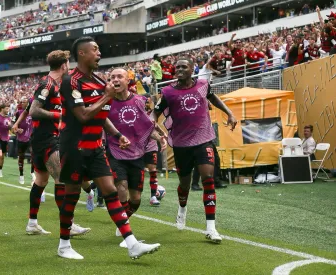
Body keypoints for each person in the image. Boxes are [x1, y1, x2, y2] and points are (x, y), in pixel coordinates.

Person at [58, 36, 160, 260]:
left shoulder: (97, 79)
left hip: (96, 147)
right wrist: (107, 96)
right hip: (74, 147)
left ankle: (132, 244)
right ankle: (64, 245)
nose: (99, 54)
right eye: (95, 50)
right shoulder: (71, 81)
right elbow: (84, 115)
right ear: (82, 53)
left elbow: (100, 115)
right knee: (72, 195)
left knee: (111, 192)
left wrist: (117, 134)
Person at [152, 56, 237, 244]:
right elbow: (155, 112)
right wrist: (153, 124)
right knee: (184, 184)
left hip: (203, 141)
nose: (179, 70)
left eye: (184, 67)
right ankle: (182, 209)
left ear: (192, 69)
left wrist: (229, 113)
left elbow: (213, 98)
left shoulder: (203, 85)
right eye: (177, 67)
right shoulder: (167, 92)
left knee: (208, 179)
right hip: (182, 145)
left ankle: (211, 228)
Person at [12, 50, 92, 236]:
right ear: (63, 65)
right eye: (68, 64)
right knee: (61, 180)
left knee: (41, 181)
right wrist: (59, 115)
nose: (69, 67)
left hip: (41, 138)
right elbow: (33, 110)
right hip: (48, 139)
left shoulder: (54, 84)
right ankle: (68, 225)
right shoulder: (47, 84)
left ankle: (32, 223)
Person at [106, 68, 167, 247]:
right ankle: (127, 233)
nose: (115, 80)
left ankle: (123, 220)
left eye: (119, 77)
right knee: (122, 188)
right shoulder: (106, 102)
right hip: (115, 152)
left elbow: (147, 127)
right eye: (112, 77)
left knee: (136, 199)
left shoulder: (141, 101)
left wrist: (160, 138)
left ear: (128, 80)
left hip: (137, 154)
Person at [12, 97, 35, 184]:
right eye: (25, 102)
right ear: (22, 103)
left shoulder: (33, 111)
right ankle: (21, 174)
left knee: (34, 154)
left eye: (27, 102)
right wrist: (17, 130)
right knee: (21, 156)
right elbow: (12, 124)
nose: (27, 103)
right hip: (21, 138)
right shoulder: (18, 113)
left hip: (31, 137)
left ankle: (32, 173)